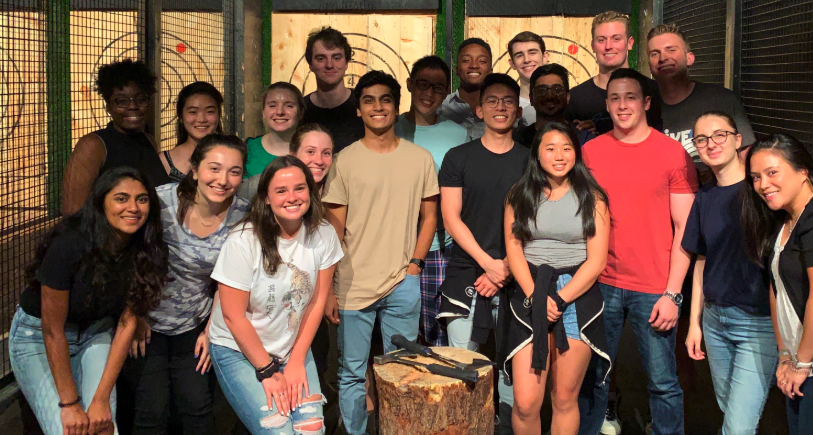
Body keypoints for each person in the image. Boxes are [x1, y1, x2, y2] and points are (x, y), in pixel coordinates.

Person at [578, 68, 698, 435]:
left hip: (654, 286)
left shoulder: (672, 153)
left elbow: (686, 229)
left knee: (663, 382)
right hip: (601, 281)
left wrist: (673, 293)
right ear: (606, 104)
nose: (622, 105)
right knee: (594, 376)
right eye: (614, 98)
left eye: (630, 97)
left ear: (645, 102)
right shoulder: (590, 151)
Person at [10, 167, 168, 435]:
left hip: (96, 332)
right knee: (67, 429)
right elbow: (52, 329)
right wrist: (70, 404)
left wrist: (101, 400)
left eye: (142, 199)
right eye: (121, 198)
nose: (133, 207)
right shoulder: (70, 244)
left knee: (104, 426)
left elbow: (127, 322)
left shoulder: (147, 247)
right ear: (101, 202)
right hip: (38, 336)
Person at [322, 70, 438, 435]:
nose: (377, 107)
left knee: (402, 371)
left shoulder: (420, 158)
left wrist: (415, 266)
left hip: (402, 282)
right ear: (358, 109)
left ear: (396, 106)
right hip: (352, 285)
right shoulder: (343, 161)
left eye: (385, 100)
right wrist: (329, 288)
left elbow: (430, 217)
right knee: (352, 373)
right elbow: (333, 231)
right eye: (368, 100)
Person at [208, 156, 343, 435]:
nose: (292, 197)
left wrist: (296, 361)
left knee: (311, 428)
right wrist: (267, 371)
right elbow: (233, 316)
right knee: (278, 430)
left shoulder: (324, 234)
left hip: (290, 346)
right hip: (239, 350)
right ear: (267, 198)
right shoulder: (243, 239)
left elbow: (316, 301)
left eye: (299, 188)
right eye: (281, 191)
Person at [127, 134, 250, 434]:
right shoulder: (160, 202)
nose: (223, 180)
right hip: (146, 321)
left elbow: (230, 280)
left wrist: (211, 331)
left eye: (234, 171)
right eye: (214, 168)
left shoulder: (243, 216)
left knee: (197, 407)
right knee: (151, 409)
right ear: (195, 169)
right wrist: (133, 314)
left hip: (195, 323)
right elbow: (128, 255)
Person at [503, 122, 611, 435]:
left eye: (566, 148)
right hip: (530, 290)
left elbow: (597, 260)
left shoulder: (593, 197)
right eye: (550, 148)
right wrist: (535, 296)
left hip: (576, 295)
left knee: (564, 398)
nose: (559, 156)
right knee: (526, 402)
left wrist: (561, 299)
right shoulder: (519, 195)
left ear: (576, 153)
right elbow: (514, 248)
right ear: (537, 154)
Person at [437, 73, 529, 430]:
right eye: (492, 100)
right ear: (479, 109)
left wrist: (505, 266)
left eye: (507, 101)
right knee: (463, 370)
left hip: (517, 275)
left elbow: (534, 220)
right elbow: (451, 217)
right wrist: (488, 263)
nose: (500, 107)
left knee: (512, 373)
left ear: (518, 111)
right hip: (467, 272)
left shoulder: (530, 161)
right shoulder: (458, 157)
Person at [681, 111, 775, 434]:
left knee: (737, 426)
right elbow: (701, 261)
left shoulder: (761, 192)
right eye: (702, 139)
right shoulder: (704, 197)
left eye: (719, 134)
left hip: (758, 323)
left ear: (738, 140)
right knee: (731, 412)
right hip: (714, 321)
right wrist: (694, 323)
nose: (711, 144)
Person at [395, 54, 468, 347]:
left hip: (440, 246)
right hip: (395, 246)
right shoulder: (391, 128)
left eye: (438, 88)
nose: (429, 93)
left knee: (437, 329)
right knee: (400, 333)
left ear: (447, 92)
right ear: (410, 84)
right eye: (423, 84)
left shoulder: (457, 134)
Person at [742, 134, 813, 435]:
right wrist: (785, 355)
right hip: (797, 362)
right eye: (756, 177)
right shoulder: (783, 222)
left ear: (802, 171)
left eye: (772, 172)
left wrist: (802, 363)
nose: (763, 184)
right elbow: (777, 288)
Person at [63, 59, 170, 215]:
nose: (132, 106)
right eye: (122, 101)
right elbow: (72, 211)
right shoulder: (94, 146)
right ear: (108, 106)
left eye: (140, 99)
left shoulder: (148, 141)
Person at [647, 24, 756, 163]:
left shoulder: (722, 100)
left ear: (690, 58)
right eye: (654, 54)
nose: (663, 57)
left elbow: (747, 157)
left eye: (671, 50)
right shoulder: (643, 110)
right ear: (649, 65)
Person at [565, 11, 662, 137]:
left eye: (616, 39)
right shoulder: (576, 98)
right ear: (593, 46)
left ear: (630, 43)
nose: (608, 46)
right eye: (601, 40)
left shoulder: (653, 91)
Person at [301, 27, 365, 154]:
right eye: (321, 58)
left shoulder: (364, 105)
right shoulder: (300, 111)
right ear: (310, 65)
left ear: (346, 63)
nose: (329, 65)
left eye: (336, 58)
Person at [514, 64, 596, 147]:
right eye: (542, 90)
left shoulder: (584, 138)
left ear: (567, 96)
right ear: (531, 98)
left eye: (557, 89)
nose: (549, 96)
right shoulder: (518, 141)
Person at [159, 82, 224, 183]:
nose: (201, 119)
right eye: (193, 112)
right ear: (181, 116)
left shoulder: (232, 156)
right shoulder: (163, 160)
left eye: (210, 111)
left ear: (219, 114)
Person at [245, 82, 306, 178]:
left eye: (289, 106)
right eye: (272, 106)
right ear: (263, 112)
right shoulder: (247, 150)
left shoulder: (312, 152)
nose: (280, 112)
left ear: (301, 113)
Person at [437, 38, 494, 140]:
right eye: (466, 60)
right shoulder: (441, 109)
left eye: (482, 61)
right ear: (457, 70)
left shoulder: (503, 112)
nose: (474, 65)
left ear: (491, 71)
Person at [507, 31, 549, 126]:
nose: (526, 60)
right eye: (519, 55)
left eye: (532, 53)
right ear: (512, 63)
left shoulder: (562, 102)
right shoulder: (506, 107)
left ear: (545, 57)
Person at [289, 123, 335, 193]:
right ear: (293, 156)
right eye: (310, 152)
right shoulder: (278, 195)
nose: (319, 161)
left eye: (326, 153)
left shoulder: (338, 194)